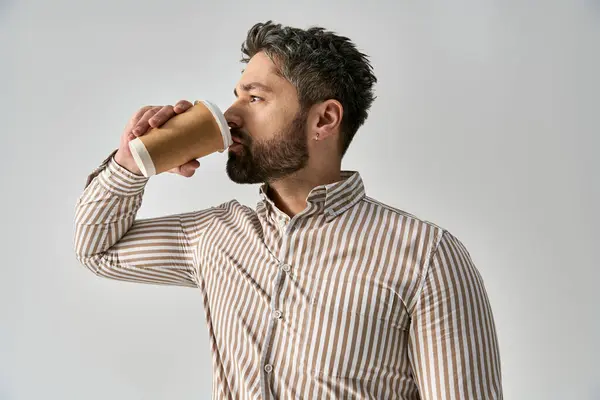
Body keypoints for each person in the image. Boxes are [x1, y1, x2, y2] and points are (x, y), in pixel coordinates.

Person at [74, 21, 502, 400]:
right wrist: (132, 164)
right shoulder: (213, 236)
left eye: (256, 99)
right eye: (236, 96)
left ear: (324, 120)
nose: (231, 116)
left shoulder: (428, 257)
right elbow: (96, 250)